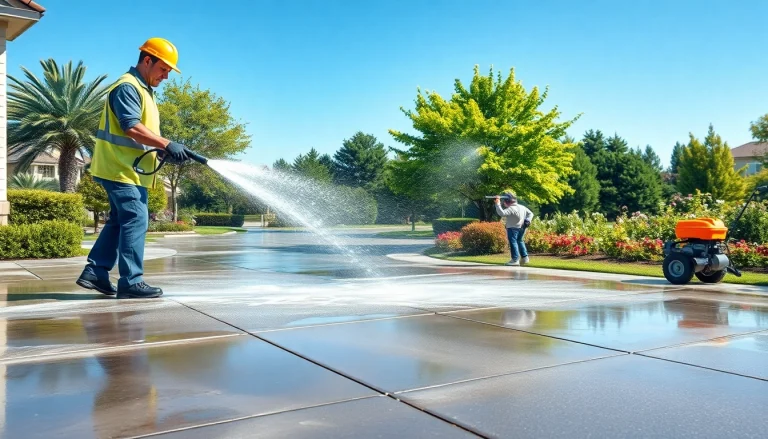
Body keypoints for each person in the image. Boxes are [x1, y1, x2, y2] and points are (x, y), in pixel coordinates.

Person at [76, 37, 191, 299]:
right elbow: (130, 126)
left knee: (119, 220)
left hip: (126, 169)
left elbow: (139, 132)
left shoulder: (143, 90)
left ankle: (96, 272)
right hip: (120, 169)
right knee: (136, 218)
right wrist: (166, 143)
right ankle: (131, 281)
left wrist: (164, 148)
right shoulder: (128, 87)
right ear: (147, 60)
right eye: (163, 69)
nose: (166, 76)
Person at [495, 191, 534, 266]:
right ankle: (525, 257)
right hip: (522, 227)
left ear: (507, 201)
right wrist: (528, 220)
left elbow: (502, 213)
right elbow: (531, 214)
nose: (504, 203)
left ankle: (515, 259)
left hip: (512, 228)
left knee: (513, 242)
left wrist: (497, 203)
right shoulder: (522, 207)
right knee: (520, 241)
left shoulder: (511, 208)